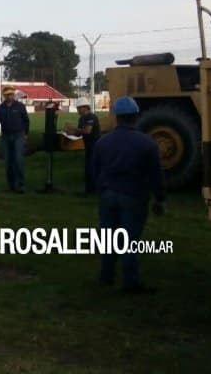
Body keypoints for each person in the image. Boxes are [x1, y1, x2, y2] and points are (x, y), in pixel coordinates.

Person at [91, 96, 165, 294]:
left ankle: (106, 277)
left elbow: (94, 170)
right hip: (133, 195)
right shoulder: (147, 143)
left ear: (116, 117)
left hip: (108, 195)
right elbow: (155, 175)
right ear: (135, 116)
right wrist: (159, 198)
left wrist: (102, 188)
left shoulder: (102, 142)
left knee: (108, 239)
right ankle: (130, 282)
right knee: (129, 242)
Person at [0, 86, 30, 193]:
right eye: (8, 94)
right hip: (6, 136)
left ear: (13, 95)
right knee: (8, 161)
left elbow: (26, 120)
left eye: (11, 94)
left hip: (18, 135)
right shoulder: (0, 108)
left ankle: (20, 184)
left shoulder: (20, 106)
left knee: (18, 159)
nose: (10, 96)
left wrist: (26, 134)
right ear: (4, 95)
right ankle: (11, 185)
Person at [66, 98, 100, 195]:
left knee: (92, 167)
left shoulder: (91, 117)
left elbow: (87, 131)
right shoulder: (81, 119)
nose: (78, 110)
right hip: (88, 146)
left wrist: (74, 128)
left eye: (79, 108)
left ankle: (94, 190)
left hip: (95, 146)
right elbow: (79, 134)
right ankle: (89, 190)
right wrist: (69, 133)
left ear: (85, 108)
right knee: (88, 168)